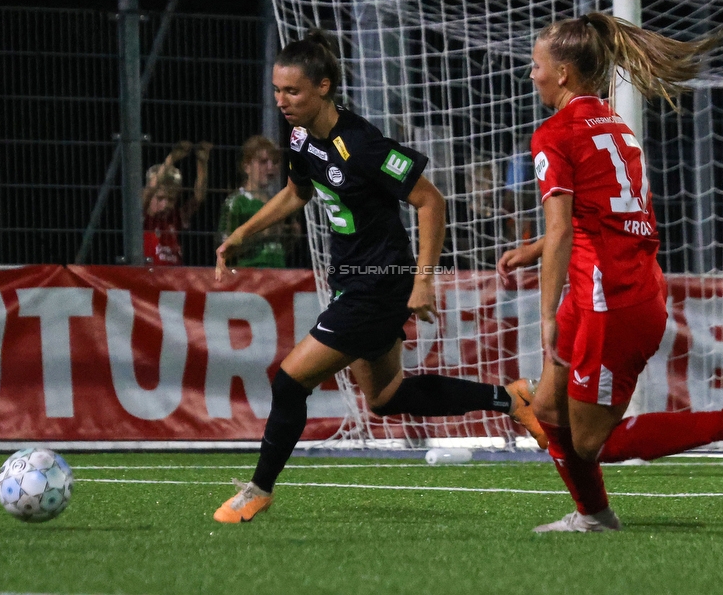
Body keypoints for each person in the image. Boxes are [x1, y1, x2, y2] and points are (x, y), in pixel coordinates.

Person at [211, 30, 546, 524]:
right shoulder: (301, 137)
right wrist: (241, 233)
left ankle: (258, 490)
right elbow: (297, 192)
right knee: (387, 397)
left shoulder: (364, 145)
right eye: (277, 91)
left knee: (290, 381)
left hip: (380, 284)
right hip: (352, 281)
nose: (282, 102)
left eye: (293, 92)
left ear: (324, 87)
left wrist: (424, 281)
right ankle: (509, 398)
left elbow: (432, 201)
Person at [503, 12, 723, 533]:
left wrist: (544, 318)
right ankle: (596, 517)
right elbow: (604, 215)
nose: (532, 74)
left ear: (563, 73)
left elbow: (564, 230)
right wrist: (536, 248)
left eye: (536, 65)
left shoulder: (553, 134)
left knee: (590, 441)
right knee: (546, 410)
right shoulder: (613, 125)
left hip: (610, 301)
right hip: (620, 286)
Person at [217, 135, 293, 268]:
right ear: (246, 166)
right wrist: (261, 233)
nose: (270, 167)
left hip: (279, 274)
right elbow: (223, 246)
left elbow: (279, 248)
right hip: (250, 276)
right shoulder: (236, 201)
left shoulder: (277, 201)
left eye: (274, 162)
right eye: (263, 162)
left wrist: (291, 236)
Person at [143, 140, 212, 265]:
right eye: (160, 198)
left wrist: (202, 163)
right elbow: (150, 190)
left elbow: (198, 198)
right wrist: (171, 158)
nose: (166, 205)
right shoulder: (143, 217)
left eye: (171, 199)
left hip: (174, 279)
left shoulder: (174, 218)